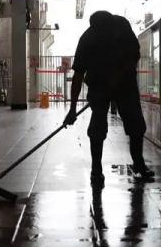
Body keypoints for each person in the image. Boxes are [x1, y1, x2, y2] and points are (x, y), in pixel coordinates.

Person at [64, 11, 154, 188]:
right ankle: (96, 170)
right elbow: (78, 75)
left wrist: (118, 76)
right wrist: (72, 109)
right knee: (97, 127)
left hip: (125, 82)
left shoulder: (122, 26)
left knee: (135, 124)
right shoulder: (87, 40)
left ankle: (139, 163)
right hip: (99, 84)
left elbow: (134, 54)